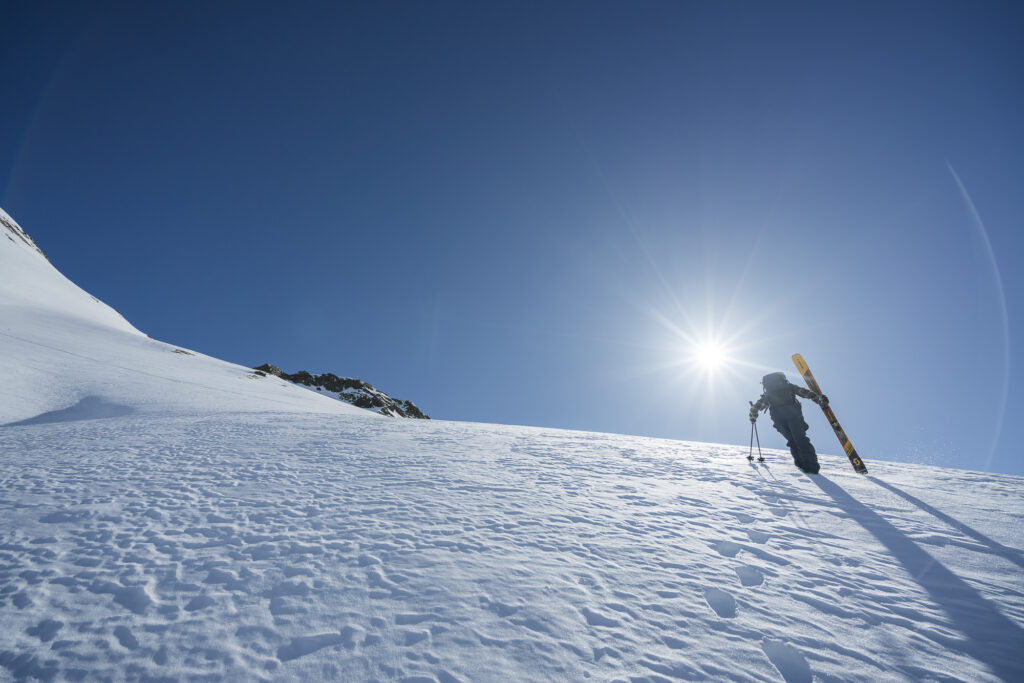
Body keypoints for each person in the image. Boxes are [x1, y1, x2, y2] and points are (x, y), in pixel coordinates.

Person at [749, 372, 828, 474]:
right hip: (793, 415)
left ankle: (801, 465)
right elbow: (805, 393)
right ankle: (811, 468)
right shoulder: (789, 387)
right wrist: (820, 400)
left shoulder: (768, 394)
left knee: (792, 441)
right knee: (801, 440)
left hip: (779, 420)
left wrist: (753, 417)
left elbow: (755, 408)